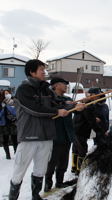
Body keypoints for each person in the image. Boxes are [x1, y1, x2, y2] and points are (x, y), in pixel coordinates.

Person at [8, 59, 69, 200]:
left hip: (46, 136)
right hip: (29, 136)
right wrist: (57, 112)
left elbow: (57, 103)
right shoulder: (23, 90)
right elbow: (34, 109)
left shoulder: (46, 89)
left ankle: (36, 196)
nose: (44, 72)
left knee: (40, 170)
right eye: (41, 69)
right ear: (32, 72)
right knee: (19, 171)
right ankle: (12, 197)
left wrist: (72, 105)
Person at [44, 78, 85, 192]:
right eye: (64, 84)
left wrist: (80, 107)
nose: (66, 86)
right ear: (56, 85)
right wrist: (68, 106)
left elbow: (75, 109)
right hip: (54, 135)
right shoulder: (50, 98)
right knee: (52, 162)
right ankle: (47, 184)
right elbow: (54, 107)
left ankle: (59, 182)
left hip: (67, 135)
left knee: (63, 162)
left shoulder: (68, 99)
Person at [72, 88, 107, 175]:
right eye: (97, 94)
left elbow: (87, 116)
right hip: (81, 130)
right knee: (82, 150)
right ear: (91, 95)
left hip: (75, 129)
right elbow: (91, 122)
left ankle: (74, 167)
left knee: (76, 149)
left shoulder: (84, 103)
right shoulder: (88, 105)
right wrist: (102, 131)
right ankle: (80, 170)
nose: (98, 96)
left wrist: (94, 118)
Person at [0, 90, 18, 159]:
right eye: (5, 93)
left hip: (13, 123)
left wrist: (8, 107)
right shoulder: (1, 102)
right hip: (4, 124)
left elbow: (17, 111)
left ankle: (16, 153)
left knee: (15, 139)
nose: (7, 94)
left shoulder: (14, 101)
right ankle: (8, 155)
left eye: (8, 93)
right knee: (5, 140)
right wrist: (3, 107)